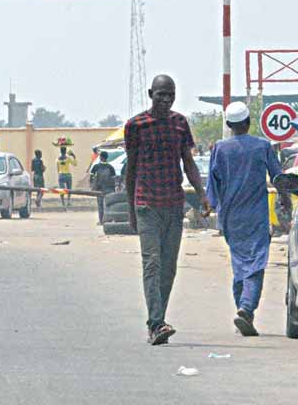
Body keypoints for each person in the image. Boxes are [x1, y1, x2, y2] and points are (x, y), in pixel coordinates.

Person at [124, 74, 210, 346]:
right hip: (146, 204)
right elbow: (131, 169)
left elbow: (188, 163)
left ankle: (158, 320)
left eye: (170, 95)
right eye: (161, 94)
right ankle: (156, 323)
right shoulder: (135, 126)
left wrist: (201, 194)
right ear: (151, 94)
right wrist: (131, 209)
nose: (166, 99)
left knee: (168, 267)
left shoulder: (180, 124)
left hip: (173, 204)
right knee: (152, 263)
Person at [205, 102, 280, 337]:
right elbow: (278, 177)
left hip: (230, 218)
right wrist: (286, 202)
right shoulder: (263, 146)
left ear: (229, 124)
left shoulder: (219, 149)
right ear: (249, 122)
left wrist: (210, 207)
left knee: (240, 264)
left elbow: (212, 185)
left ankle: (243, 311)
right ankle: (246, 307)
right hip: (256, 216)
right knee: (256, 263)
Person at [89, 149, 118, 224]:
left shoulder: (96, 167)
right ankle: (109, 220)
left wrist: (92, 186)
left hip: (99, 189)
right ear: (107, 158)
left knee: (100, 205)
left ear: (100, 157)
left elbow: (91, 178)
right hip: (109, 189)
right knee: (109, 205)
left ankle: (101, 221)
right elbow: (114, 179)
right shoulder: (110, 167)